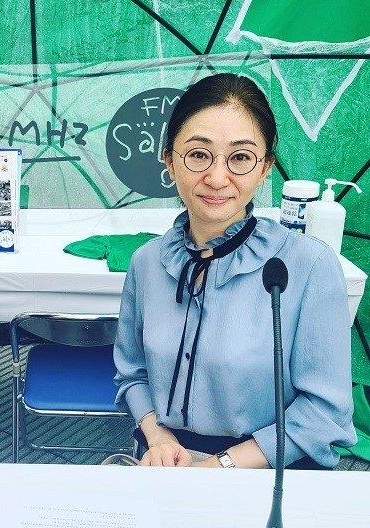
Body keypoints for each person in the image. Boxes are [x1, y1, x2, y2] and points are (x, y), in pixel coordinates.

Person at [113, 73, 356, 469]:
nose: (216, 178)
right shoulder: (146, 262)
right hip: (166, 463)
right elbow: (132, 374)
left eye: (240, 158)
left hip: (269, 466)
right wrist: (159, 438)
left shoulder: (308, 265)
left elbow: (324, 412)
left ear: (265, 168)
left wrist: (217, 467)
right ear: (170, 161)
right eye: (198, 155)